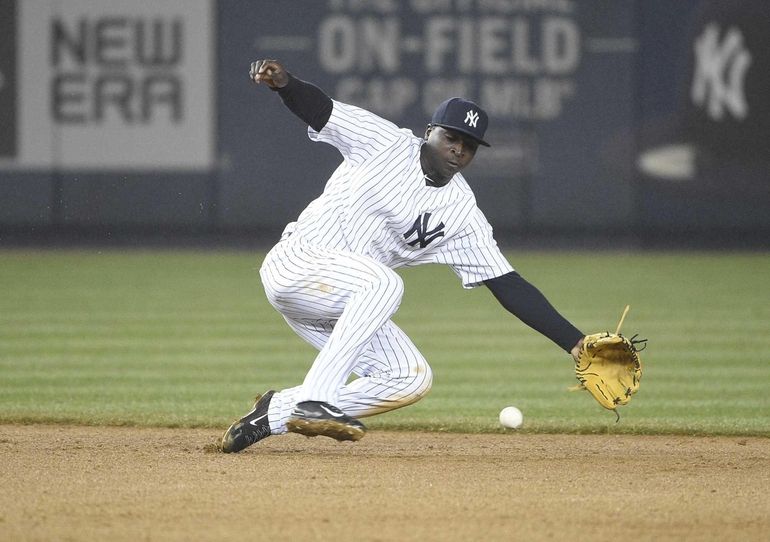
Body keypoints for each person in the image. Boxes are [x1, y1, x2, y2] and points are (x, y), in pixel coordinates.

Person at [221, 59, 585, 453]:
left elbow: (507, 283)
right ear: (429, 132)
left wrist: (576, 342)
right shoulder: (384, 142)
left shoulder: (461, 211)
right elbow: (321, 109)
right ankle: (315, 402)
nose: (458, 150)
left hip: (345, 305)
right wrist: (285, 83)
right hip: (297, 263)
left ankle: (274, 413)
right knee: (384, 282)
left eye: (469, 146)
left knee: (409, 377)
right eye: (451, 137)